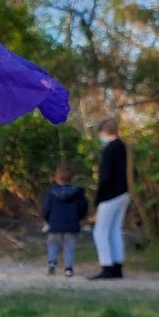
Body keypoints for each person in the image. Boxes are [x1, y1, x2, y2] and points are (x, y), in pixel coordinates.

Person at [90, 117, 130, 280]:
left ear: (103, 133)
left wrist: (98, 198)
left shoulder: (109, 150)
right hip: (124, 193)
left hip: (110, 195)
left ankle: (106, 266)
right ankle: (117, 266)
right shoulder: (123, 147)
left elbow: (105, 177)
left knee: (100, 232)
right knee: (115, 230)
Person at [41, 162, 89, 277]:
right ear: (72, 178)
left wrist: (47, 219)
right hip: (72, 225)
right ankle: (68, 268)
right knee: (69, 247)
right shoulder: (78, 193)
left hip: (54, 225)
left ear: (56, 178)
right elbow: (83, 208)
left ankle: (52, 263)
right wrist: (79, 218)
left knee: (52, 244)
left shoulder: (51, 193)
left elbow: (46, 208)